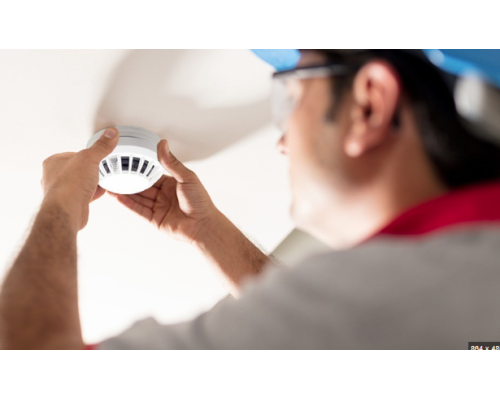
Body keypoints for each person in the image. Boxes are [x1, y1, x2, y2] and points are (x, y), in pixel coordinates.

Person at [1, 49, 500, 350]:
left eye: (290, 96)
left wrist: (60, 205)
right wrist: (206, 229)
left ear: (369, 104)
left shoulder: (386, 304)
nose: (281, 141)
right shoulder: (448, 287)